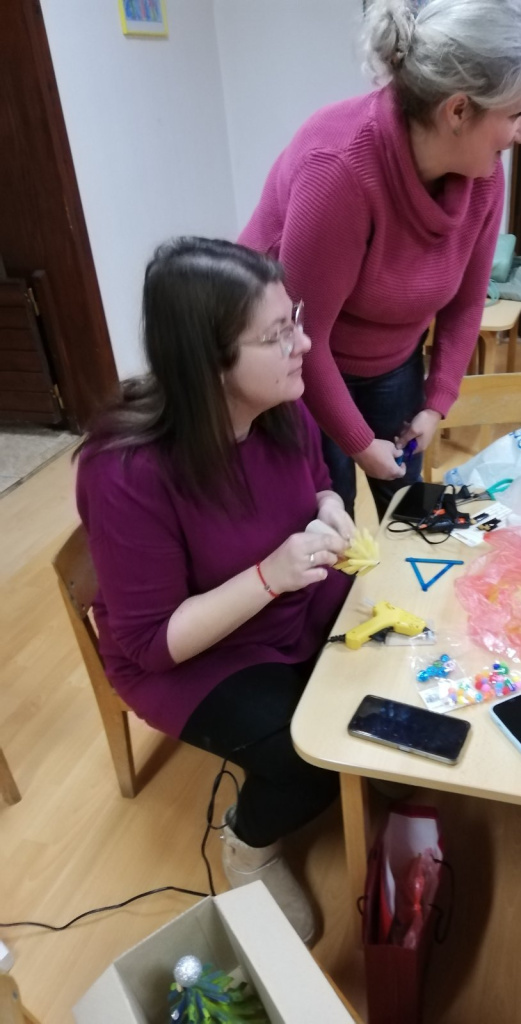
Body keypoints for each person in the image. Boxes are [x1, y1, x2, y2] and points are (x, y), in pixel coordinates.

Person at [75, 237, 356, 946]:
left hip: (289, 601)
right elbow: (151, 641)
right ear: (209, 362)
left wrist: (329, 508)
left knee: (381, 688)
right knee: (310, 760)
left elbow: (321, 478)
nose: (304, 343)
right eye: (278, 334)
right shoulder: (126, 471)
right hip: (191, 656)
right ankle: (248, 843)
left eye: (295, 320)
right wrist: (269, 575)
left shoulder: (279, 404)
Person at [239, 0, 521, 519]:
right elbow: (301, 335)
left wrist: (436, 402)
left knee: (408, 509)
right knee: (329, 518)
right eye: (515, 113)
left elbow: (467, 301)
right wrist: (361, 444)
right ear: (458, 111)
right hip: (295, 364)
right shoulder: (339, 170)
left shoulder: (484, 176)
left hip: (392, 359)